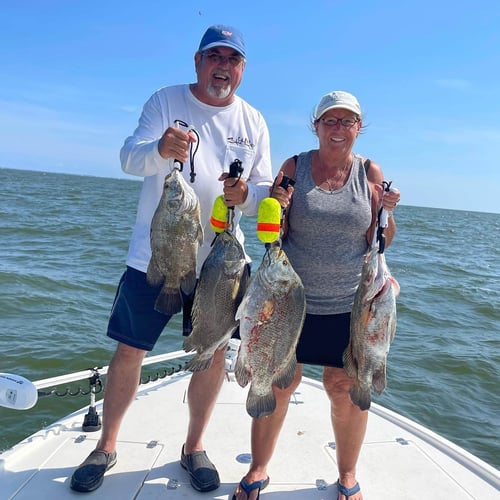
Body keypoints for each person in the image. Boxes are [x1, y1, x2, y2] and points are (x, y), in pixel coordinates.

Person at [70, 25, 273, 493]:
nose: (223, 66)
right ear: (197, 62)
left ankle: (193, 446)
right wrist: (160, 149)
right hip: (156, 255)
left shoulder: (253, 121)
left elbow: (263, 191)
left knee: (212, 352)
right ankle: (106, 445)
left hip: (219, 262)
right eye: (214, 57)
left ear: (242, 69)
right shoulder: (165, 101)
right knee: (129, 350)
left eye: (233, 59)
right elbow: (128, 157)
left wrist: (245, 194)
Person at [232, 90, 401, 500]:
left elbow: (380, 242)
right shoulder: (296, 166)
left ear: (358, 128)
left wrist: (387, 212)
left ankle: (346, 475)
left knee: (344, 387)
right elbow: (276, 235)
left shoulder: (370, 172)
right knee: (276, 384)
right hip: (287, 299)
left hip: (349, 305)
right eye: (330, 120)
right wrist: (279, 205)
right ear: (316, 125)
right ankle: (258, 468)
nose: (338, 129)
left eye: (347, 121)